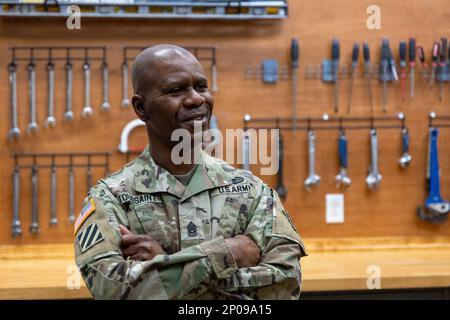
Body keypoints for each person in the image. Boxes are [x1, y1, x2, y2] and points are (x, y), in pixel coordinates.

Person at [74, 44, 306, 300]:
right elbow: (113, 291)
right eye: (175, 90)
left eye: (201, 86)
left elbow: (285, 285)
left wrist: (166, 263)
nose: (196, 98)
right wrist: (228, 252)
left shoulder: (251, 192)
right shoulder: (111, 199)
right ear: (141, 108)